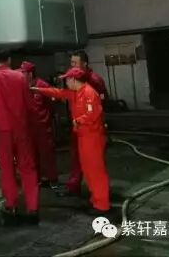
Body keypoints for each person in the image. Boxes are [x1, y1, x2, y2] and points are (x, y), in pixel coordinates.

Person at [32, 68, 110, 215]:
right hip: (83, 137)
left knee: (95, 171)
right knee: (87, 169)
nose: (66, 82)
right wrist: (37, 90)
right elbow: (57, 92)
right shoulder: (76, 93)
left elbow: (93, 114)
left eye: (67, 79)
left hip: (92, 137)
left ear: (74, 80)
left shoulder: (89, 93)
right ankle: (96, 199)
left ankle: (102, 204)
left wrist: (78, 120)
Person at [0, 53, 39, 225]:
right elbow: (29, 104)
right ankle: (33, 208)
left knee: (7, 168)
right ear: (9, 59)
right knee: (28, 168)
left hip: (3, 130)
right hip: (22, 128)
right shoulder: (20, 77)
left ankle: (11, 205)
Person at [65, 50, 108, 196]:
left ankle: (98, 195)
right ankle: (74, 186)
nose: (72, 66)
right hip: (77, 126)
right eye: (71, 63)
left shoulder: (94, 81)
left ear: (84, 64)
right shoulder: (74, 80)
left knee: (94, 163)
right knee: (76, 157)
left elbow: (101, 103)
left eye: (75, 63)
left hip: (91, 128)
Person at [19, 61, 59, 189]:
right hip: (29, 127)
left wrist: (46, 118)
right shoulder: (22, 86)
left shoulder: (42, 86)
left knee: (47, 153)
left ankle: (52, 179)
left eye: (24, 73)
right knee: (32, 154)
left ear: (30, 74)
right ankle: (37, 179)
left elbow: (51, 103)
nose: (21, 75)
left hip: (43, 126)